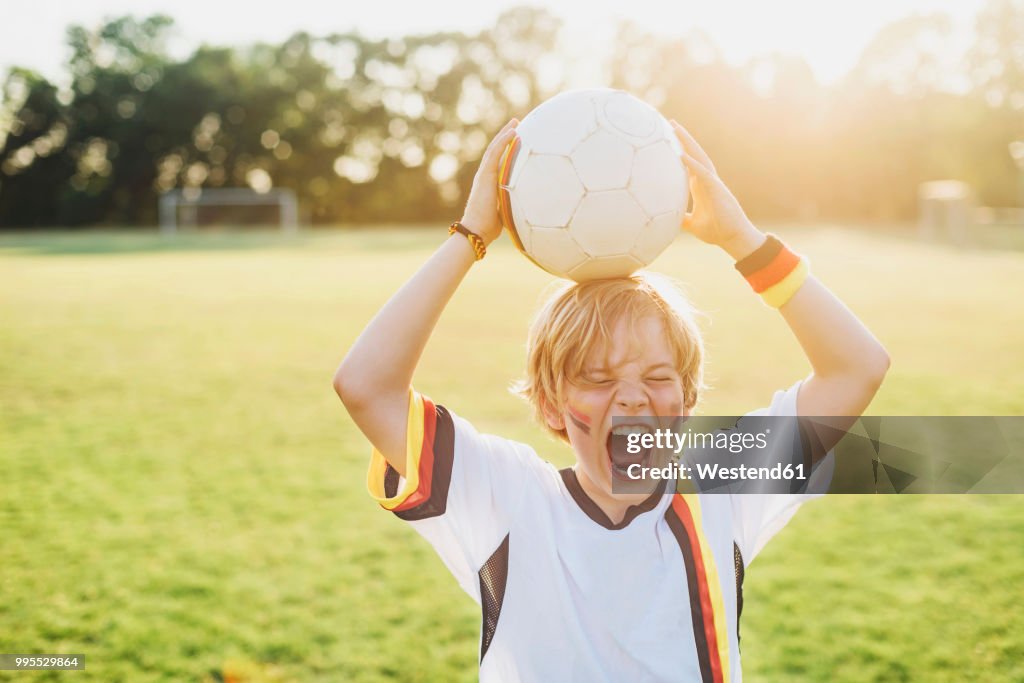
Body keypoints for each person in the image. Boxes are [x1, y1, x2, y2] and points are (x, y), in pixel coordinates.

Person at [333, 117, 890, 682]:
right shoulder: (508, 497)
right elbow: (365, 387)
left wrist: (743, 240)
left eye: (656, 377)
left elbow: (858, 367)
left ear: (688, 396)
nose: (631, 400)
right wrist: (471, 234)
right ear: (551, 405)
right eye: (597, 380)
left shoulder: (720, 488)